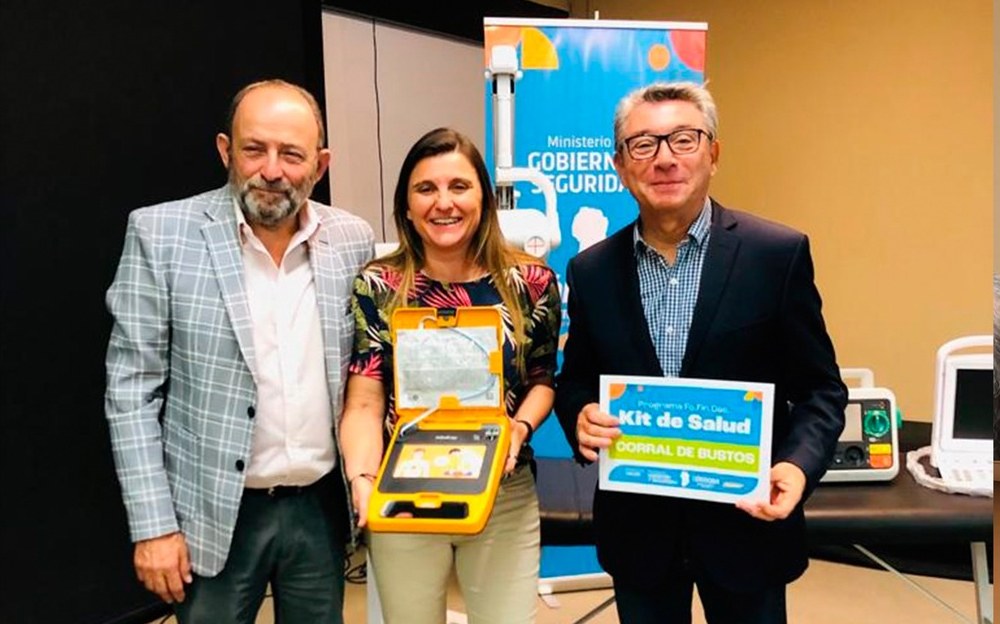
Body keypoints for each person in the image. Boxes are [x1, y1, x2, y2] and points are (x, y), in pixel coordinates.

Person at [554, 82, 847, 624]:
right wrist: (580, 416)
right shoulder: (590, 271)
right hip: (640, 534)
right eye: (644, 144)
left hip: (747, 527)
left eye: (683, 139)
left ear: (713, 153)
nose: (665, 158)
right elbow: (575, 381)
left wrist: (797, 465)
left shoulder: (775, 255)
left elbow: (821, 390)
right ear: (620, 166)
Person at [104, 79, 374, 624]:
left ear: (320, 165)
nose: (271, 170)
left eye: (291, 154)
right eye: (255, 149)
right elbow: (131, 391)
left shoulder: (352, 240)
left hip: (319, 511)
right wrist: (154, 525)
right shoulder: (161, 234)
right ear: (226, 150)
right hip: (212, 514)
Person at [339, 127, 561, 624]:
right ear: (407, 205)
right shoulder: (379, 285)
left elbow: (542, 380)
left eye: (459, 186)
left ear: (483, 196)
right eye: (426, 188)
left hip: (502, 493)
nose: (444, 203)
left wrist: (519, 429)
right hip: (403, 490)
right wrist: (363, 480)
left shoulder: (531, 282)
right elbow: (364, 401)